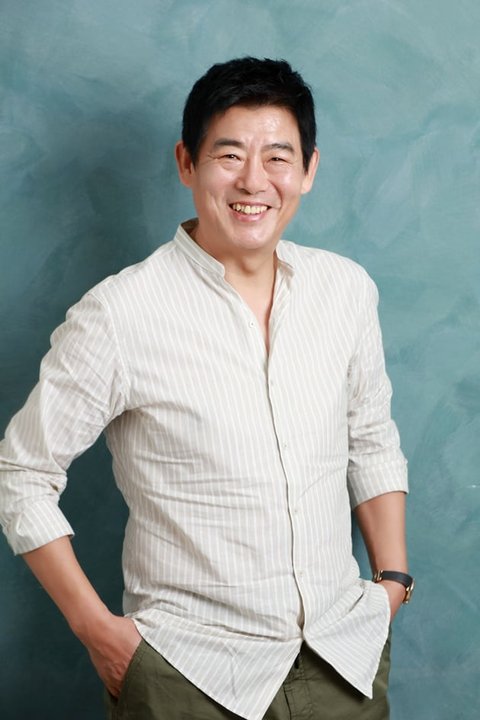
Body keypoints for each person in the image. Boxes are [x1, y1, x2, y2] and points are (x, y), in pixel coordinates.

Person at [0, 57, 412, 720]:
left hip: (344, 662)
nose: (254, 181)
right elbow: (21, 472)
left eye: (278, 156)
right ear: (187, 163)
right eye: (229, 154)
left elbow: (370, 438)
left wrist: (392, 581)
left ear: (309, 169)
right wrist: (98, 632)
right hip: (188, 677)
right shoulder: (120, 313)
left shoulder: (345, 291)